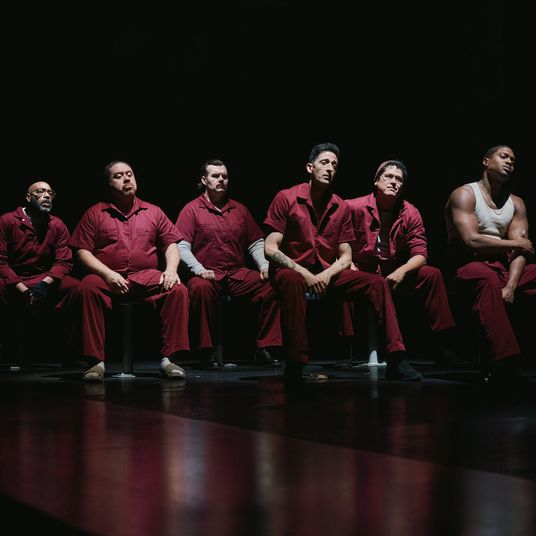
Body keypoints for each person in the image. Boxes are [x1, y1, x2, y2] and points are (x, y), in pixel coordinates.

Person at [264, 142, 421, 384]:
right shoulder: (286, 197)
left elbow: (346, 255)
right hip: (291, 270)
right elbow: (270, 248)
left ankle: (396, 358)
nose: (330, 168)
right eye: (324, 162)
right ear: (310, 167)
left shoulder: (340, 206)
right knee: (292, 282)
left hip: (325, 271)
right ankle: (295, 364)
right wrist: (305, 273)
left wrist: (327, 274)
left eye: (334, 165)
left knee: (377, 283)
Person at [60, 161, 189, 381]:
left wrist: (170, 269)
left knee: (177, 289)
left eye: (129, 174)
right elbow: (82, 252)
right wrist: (107, 274)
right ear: (108, 184)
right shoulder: (95, 213)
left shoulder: (154, 211)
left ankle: (169, 359)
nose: (127, 178)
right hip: (106, 276)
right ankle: (95, 362)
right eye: (119, 176)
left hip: (145, 275)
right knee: (87, 288)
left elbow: (171, 244)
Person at [345, 160, 456, 365]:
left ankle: (444, 343)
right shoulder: (353, 207)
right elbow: (335, 239)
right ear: (376, 181)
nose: (394, 182)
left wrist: (402, 271)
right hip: (361, 270)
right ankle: (346, 347)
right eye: (389, 177)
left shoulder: (410, 212)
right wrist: (347, 261)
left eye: (399, 179)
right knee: (344, 276)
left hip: (392, 271)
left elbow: (421, 253)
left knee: (432, 275)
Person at [175, 159, 282, 369]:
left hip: (236, 273)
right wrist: (199, 269)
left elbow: (256, 242)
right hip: (206, 273)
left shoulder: (239, 209)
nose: (221, 179)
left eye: (224, 176)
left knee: (272, 284)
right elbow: (181, 246)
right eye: (215, 176)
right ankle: (206, 351)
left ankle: (265, 348)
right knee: (200, 289)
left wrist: (263, 265)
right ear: (204, 180)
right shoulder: (191, 210)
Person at [445, 145, 536, 384]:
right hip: (468, 264)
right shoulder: (464, 194)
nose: (509, 162)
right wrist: (514, 243)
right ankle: (505, 361)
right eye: (503, 157)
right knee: (487, 280)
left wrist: (511, 286)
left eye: (513, 160)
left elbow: (522, 250)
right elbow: (471, 241)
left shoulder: (516, 203)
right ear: (486, 161)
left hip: (503, 266)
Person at [0, 181, 72, 358]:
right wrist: (22, 289)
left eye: (50, 193)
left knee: (78, 289)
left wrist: (44, 284)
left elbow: (64, 262)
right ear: (28, 197)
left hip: (44, 279)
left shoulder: (57, 225)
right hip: (13, 279)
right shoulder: (7, 221)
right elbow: (1, 262)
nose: (47, 195)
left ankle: (72, 352)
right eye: (40, 192)